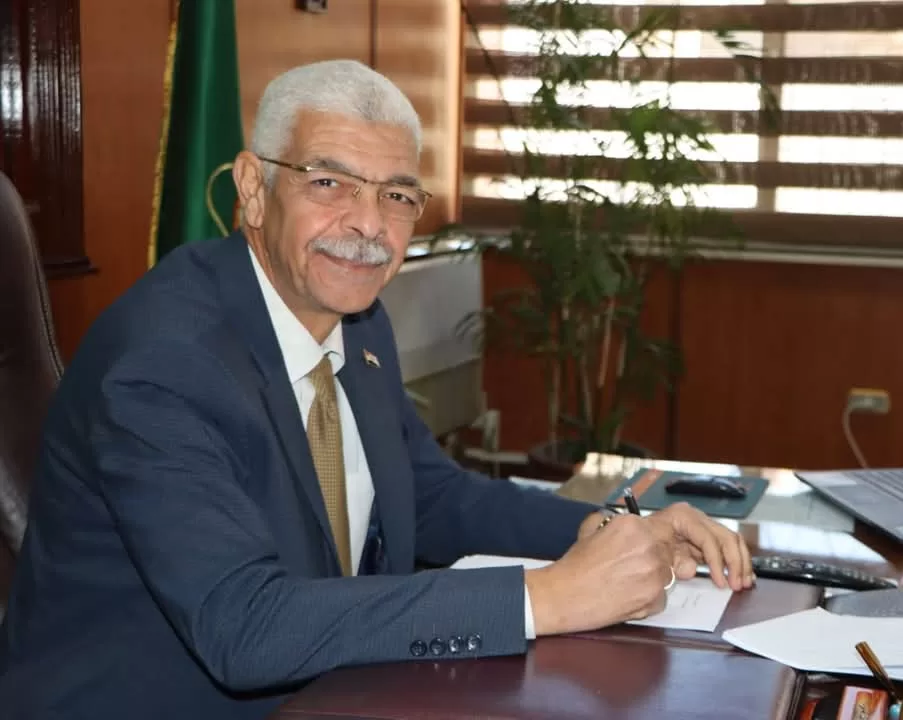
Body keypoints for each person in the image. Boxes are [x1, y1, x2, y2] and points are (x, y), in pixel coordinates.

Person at [0, 60, 753, 719]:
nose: (368, 226)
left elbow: (429, 498)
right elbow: (243, 626)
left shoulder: (354, 319)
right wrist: (547, 598)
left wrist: (613, 532)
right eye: (329, 182)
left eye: (396, 195)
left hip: (334, 693)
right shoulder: (166, 363)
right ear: (255, 189)